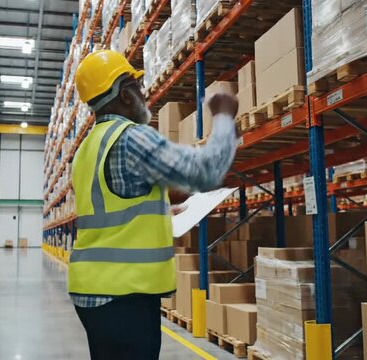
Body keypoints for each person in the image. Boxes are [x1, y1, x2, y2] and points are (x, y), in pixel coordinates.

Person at [69, 50, 239, 359]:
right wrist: (225, 117)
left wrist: (162, 212)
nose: (143, 92)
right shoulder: (131, 137)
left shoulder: (87, 148)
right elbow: (206, 171)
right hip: (123, 296)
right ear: (124, 95)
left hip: (93, 292)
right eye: (136, 85)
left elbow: (113, 209)